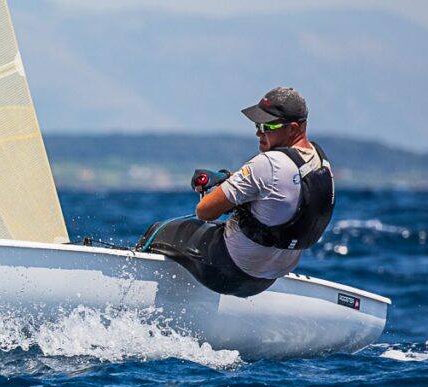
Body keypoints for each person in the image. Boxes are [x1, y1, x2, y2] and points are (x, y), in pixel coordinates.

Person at [137, 87, 335, 297]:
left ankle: (130, 291)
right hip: (265, 280)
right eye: (257, 125)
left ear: (293, 129)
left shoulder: (269, 163)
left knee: (159, 231)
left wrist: (221, 188)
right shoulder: (320, 163)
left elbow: (204, 211)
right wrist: (232, 181)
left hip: (226, 271)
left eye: (268, 125)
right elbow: (277, 202)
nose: (259, 132)